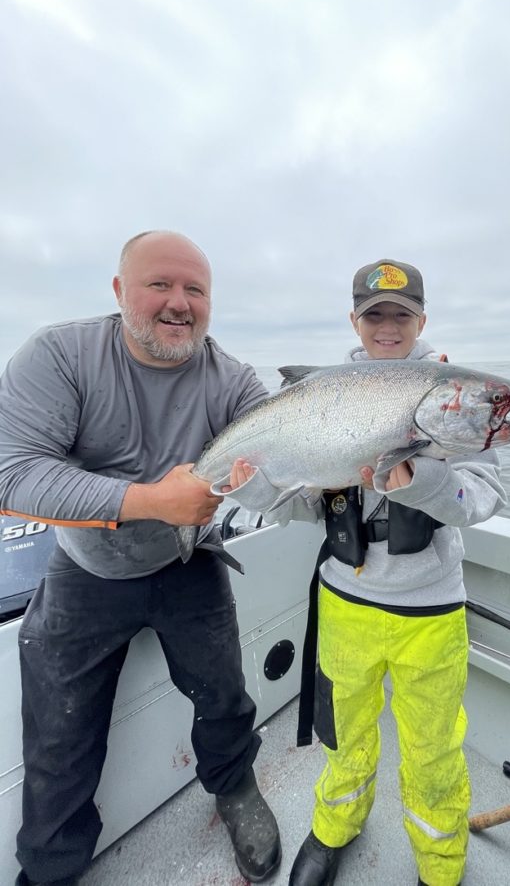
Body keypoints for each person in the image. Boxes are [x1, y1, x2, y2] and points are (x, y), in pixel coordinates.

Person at [0, 231, 281, 886]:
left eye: (195, 290)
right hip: (84, 572)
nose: (179, 303)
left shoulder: (232, 380)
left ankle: (234, 786)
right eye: (160, 285)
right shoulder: (60, 355)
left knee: (224, 696)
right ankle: (50, 866)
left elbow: (277, 463)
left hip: (190, 567)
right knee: (58, 739)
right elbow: (12, 476)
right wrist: (152, 499)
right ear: (120, 291)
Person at [225, 259, 508, 886]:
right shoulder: (324, 395)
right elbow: (303, 500)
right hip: (346, 601)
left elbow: (480, 502)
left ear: (421, 321)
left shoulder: (455, 398)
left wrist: (419, 480)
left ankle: (440, 866)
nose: (387, 326)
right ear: (356, 320)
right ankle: (333, 830)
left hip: (431, 612)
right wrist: (252, 490)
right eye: (374, 315)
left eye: (400, 315)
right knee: (343, 733)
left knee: (434, 749)